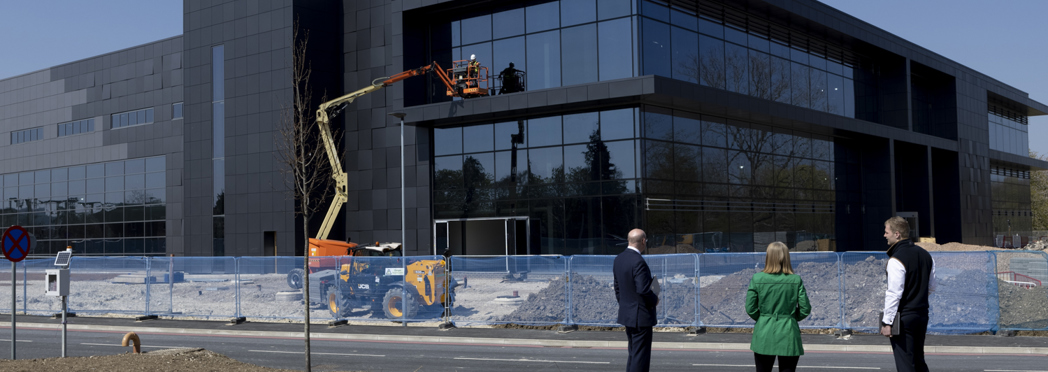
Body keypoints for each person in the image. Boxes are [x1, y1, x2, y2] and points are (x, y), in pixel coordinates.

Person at [745, 241, 811, 372]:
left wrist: (763, 318)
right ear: (786, 257)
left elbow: (750, 308)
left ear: (768, 256)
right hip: (788, 330)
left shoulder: (757, 278)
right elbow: (805, 308)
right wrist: (791, 318)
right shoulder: (795, 280)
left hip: (764, 331)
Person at [881, 216, 936, 372]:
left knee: (905, 362)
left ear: (897, 234)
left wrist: (887, 322)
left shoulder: (896, 259)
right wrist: (917, 298)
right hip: (922, 313)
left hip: (904, 317)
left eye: (887, 232)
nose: (885, 235)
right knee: (918, 360)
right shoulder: (926, 255)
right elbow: (931, 286)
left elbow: (894, 293)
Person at [613, 228, 659, 372]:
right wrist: (655, 299)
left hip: (628, 314)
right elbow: (643, 289)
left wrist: (626, 305)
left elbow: (618, 288)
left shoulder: (619, 259)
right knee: (640, 358)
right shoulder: (638, 261)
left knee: (633, 354)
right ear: (643, 241)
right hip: (641, 316)